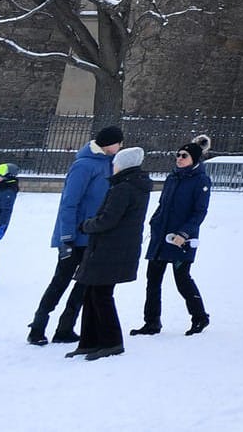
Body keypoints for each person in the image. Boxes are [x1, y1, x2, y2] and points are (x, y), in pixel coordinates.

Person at [29, 124, 123, 346]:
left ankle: (65, 327)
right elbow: (69, 203)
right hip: (74, 237)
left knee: (83, 286)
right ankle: (37, 327)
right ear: (109, 144)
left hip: (94, 236)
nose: (120, 146)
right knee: (60, 282)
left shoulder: (111, 165)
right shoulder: (84, 165)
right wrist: (66, 237)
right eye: (119, 142)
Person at [71, 145, 152, 360]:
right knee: (92, 293)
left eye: (115, 163)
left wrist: (86, 225)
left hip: (111, 249)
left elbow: (108, 220)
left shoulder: (123, 188)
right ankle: (89, 341)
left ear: (122, 165)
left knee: (101, 295)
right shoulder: (131, 186)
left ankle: (111, 341)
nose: (113, 166)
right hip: (113, 249)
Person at [135, 140, 211, 337]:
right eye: (177, 155)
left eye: (184, 156)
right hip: (162, 237)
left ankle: (199, 317)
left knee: (182, 279)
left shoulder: (200, 181)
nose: (179, 159)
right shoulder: (172, 178)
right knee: (152, 280)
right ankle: (151, 322)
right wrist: (155, 222)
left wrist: (184, 234)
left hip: (181, 241)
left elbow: (199, 212)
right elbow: (163, 204)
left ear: (193, 159)